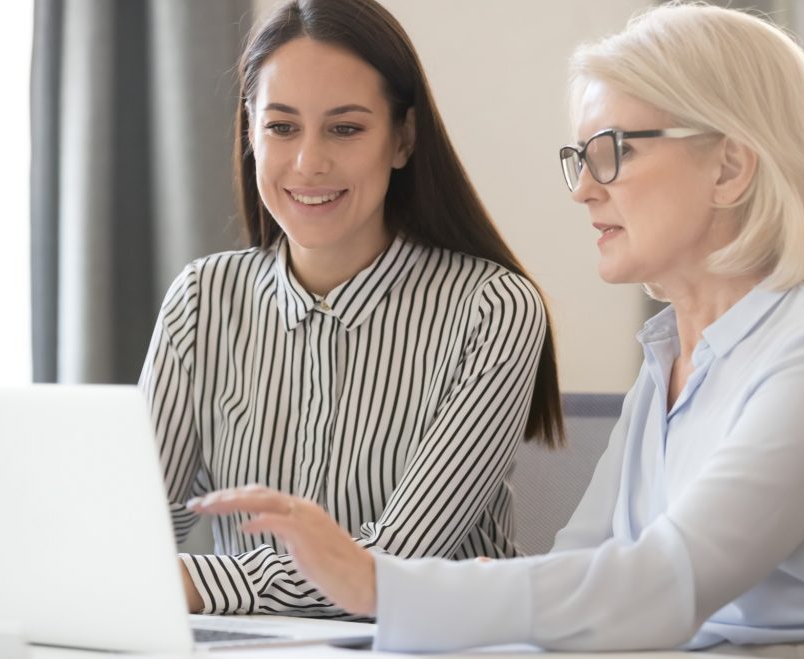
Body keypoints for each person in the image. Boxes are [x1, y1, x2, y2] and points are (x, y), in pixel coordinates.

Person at [191, 2, 804, 654]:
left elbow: (666, 583)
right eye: (580, 158)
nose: (583, 187)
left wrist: (376, 580)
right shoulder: (670, 360)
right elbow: (584, 567)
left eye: (614, 150)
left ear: (729, 166)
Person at [138, 0, 564, 618]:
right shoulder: (203, 301)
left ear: (403, 139)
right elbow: (133, 532)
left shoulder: (492, 309)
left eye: (345, 128)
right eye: (282, 127)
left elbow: (390, 570)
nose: (309, 162)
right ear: (250, 133)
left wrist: (197, 583)